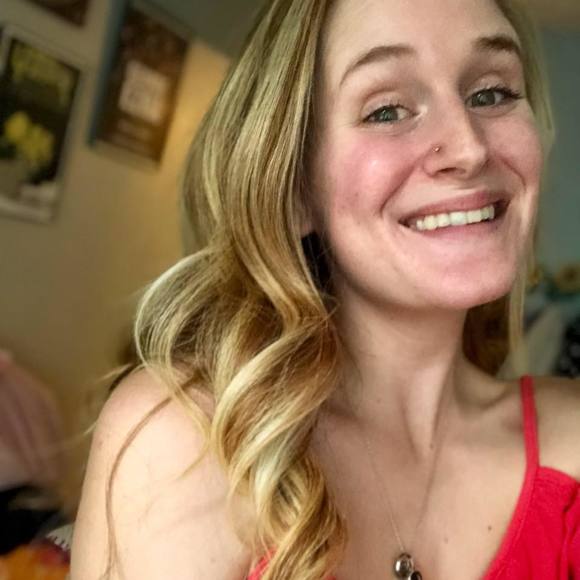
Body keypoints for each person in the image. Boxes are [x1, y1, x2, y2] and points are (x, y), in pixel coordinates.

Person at [70, 0, 580, 578]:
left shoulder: (570, 449)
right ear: (296, 190)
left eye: (491, 93)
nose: (468, 148)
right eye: (386, 110)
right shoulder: (183, 441)